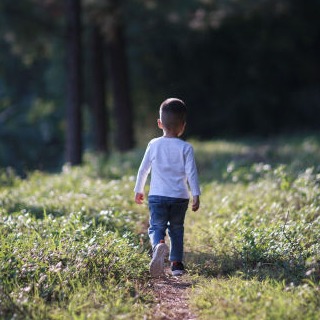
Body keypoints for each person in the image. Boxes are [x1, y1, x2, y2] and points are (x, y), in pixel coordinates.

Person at [134, 98, 201, 277]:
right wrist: (196, 194)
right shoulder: (186, 148)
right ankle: (177, 265)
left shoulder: (153, 144)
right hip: (180, 197)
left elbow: (143, 170)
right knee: (177, 228)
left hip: (157, 196)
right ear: (183, 126)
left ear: (159, 123)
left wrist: (138, 189)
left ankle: (159, 244)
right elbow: (192, 173)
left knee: (156, 226)